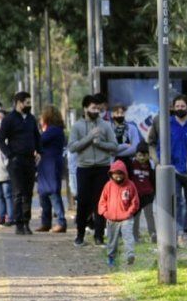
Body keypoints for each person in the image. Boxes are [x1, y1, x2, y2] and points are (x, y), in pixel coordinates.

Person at [149, 94, 187, 242]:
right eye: (177, 106)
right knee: (176, 201)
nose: (180, 109)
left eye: (182, 106)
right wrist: (159, 161)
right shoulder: (167, 124)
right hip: (173, 170)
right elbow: (156, 145)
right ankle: (177, 232)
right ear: (173, 108)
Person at [69, 94, 119, 246]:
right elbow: (72, 147)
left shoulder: (105, 125)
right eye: (93, 108)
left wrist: (101, 144)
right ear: (85, 109)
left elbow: (114, 146)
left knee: (101, 203)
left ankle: (99, 236)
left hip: (102, 168)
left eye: (98, 108)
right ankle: (80, 235)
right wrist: (89, 138)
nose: (96, 111)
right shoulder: (77, 126)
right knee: (83, 203)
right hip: (84, 169)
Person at [0, 92, 41, 235]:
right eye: (27, 102)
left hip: (30, 160)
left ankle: (26, 222)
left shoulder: (31, 119)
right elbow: (0, 140)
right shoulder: (9, 119)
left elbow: (37, 137)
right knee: (18, 192)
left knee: (28, 192)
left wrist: (39, 152)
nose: (29, 105)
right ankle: (18, 223)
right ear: (18, 102)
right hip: (16, 160)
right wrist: (10, 155)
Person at [97, 159, 140, 267]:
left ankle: (130, 255)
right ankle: (111, 258)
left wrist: (129, 213)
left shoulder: (130, 185)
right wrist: (105, 213)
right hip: (111, 219)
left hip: (126, 219)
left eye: (121, 173)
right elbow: (102, 201)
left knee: (128, 237)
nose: (118, 176)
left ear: (125, 173)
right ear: (111, 174)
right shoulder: (108, 186)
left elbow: (135, 202)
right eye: (115, 174)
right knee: (112, 240)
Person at [36, 105, 67, 233]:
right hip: (45, 163)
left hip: (51, 163)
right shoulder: (52, 130)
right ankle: (46, 222)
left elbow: (39, 140)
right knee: (43, 193)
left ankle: (61, 221)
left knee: (53, 192)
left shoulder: (54, 130)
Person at [128, 143, 156, 244]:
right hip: (136, 196)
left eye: (145, 155)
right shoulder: (132, 164)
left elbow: (153, 180)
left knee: (149, 215)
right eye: (140, 155)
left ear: (148, 155)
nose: (142, 158)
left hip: (148, 195)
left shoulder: (150, 165)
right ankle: (135, 236)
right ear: (136, 155)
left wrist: (153, 193)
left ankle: (153, 234)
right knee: (136, 216)